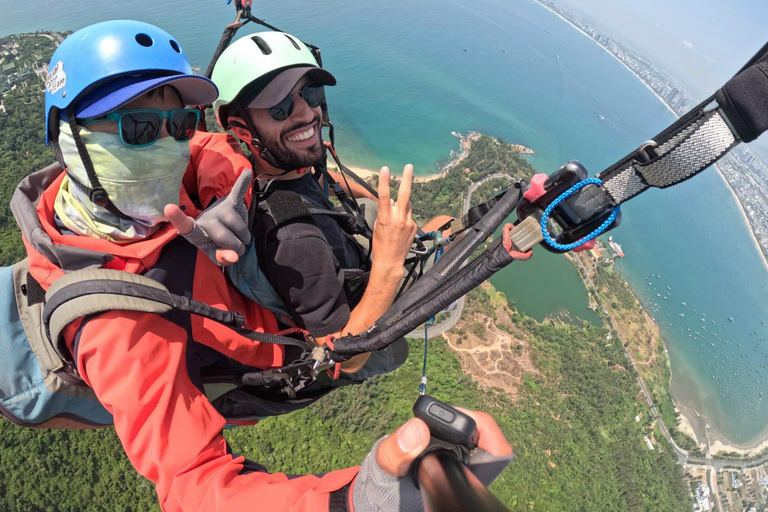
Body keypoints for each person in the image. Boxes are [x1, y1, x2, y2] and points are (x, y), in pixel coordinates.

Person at [9, 19, 512, 511]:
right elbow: (195, 485)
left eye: (180, 123)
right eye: (138, 128)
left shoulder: (170, 168)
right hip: (270, 357)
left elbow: (214, 151)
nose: (168, 146)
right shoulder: (119, 329)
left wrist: (224, 194)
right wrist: (357, 499)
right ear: (69, 140)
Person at [166, 32, 454, 373]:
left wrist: (373, 198)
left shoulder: (285, 167)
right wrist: (389, 262)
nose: (307, 113)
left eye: (310, 92)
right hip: (363, 301)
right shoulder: (295, 241)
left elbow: (319, 184)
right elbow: (346, 357)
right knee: (447, 225)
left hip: (348, 249)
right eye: (280, 107)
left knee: (405, 217)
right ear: (243, 130)